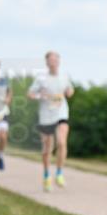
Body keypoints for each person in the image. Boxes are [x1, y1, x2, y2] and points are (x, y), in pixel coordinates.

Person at [28, 51, 74, 191]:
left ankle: (59, 173)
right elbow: (30, 94)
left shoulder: (64, 76)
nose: (53, 62)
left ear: (59, 62)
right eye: (51, 60)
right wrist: (40, 95)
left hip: (61, 113)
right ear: (47, 62)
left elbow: (70, 90)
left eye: (55, 60)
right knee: (47, 148)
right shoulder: (41, 78)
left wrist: (69, 93)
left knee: (61, 142)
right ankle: (47, 175)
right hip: (46, 115)